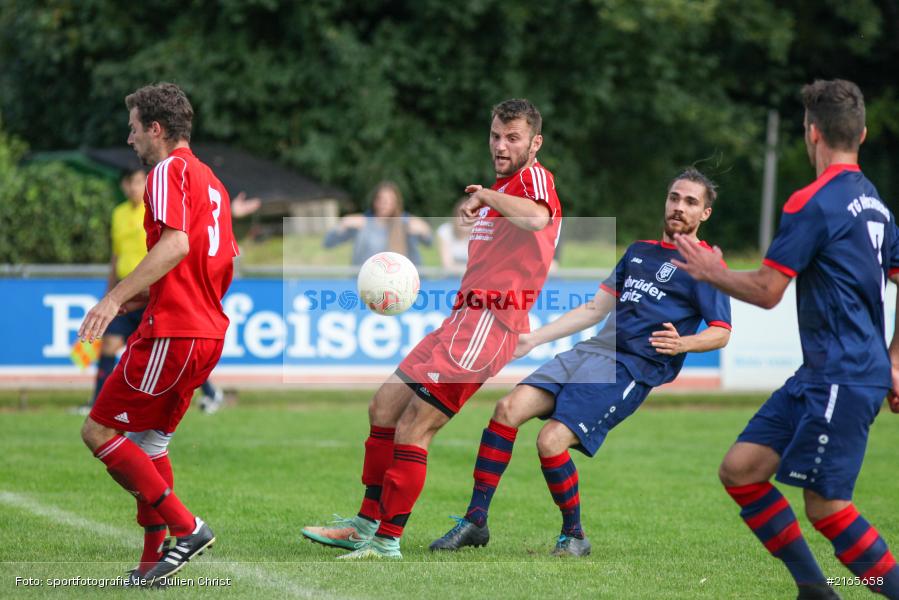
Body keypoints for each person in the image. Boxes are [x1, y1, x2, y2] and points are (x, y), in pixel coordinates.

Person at [302, 98, 562, 559]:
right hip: (460, 320)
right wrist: (484, 201)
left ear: (534, 143)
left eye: (513, 138)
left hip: (488, 324)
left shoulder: (533, 179)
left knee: (414, 425)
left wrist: (485, 196)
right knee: (384, 407)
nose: (501, 145)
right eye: (496, 136)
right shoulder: (504, 187)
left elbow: (538, 217)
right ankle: (365, 524)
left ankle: (387, 540)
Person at [673, 79, 899, 600]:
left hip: (841, 376)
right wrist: (894, 359)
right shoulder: (874, 202)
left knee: (827, 508)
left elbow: (768, 290)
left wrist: (710, 271)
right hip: (822, 374)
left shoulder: (812, 201)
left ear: (811, 133)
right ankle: (815, 590)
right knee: (742, 471)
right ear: (861, 134)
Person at [429, 168, 732, 556]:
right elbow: (594, 309)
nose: (679, 207)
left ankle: (574, 535)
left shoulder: (706, 265)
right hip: (591, 352)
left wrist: (682, 343)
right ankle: (475, 522)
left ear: (705, 213)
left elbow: (721, 331)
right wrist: (533, 338)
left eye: (691, 202)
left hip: (631, 368)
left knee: (550, 440)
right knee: (506, 409)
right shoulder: (639, 251)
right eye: (675, 197)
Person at [78, 82, 237, 586]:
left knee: (99, 431)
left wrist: (115, 297)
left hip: (175, 330)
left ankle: (187, 529)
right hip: (207, 331)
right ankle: (154, 565)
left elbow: (175, 246)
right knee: (149, 446)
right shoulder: (211, 181)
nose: (130, 141)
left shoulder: (167, 170)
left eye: (133, 129)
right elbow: (225, 259)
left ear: (155, 129)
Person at [78, 169, 226, 416]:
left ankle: (210, 392)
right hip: (125, 291)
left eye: (139, 181)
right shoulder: (118, 214)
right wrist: (110, 294)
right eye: (130, 182)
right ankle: (97, 403)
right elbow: (115, 256)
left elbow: (174, 246)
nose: (135, 187)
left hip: (152, 288)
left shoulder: (157, 207)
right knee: (109, 346)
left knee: (169, 353)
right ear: (124, 186)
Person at [323, 180, 432, 265]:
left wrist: (424, 230)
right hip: (365, 281)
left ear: (396, 202)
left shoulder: (406, 224)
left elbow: (429, 242)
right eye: (381, 199)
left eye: (389, 200)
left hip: (399, 283)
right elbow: (328, 243)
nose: (385, 203)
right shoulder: (362, 223)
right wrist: (342, 225)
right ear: (374, 201)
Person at [436, 198, 472, 272]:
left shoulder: (479, 234)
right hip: (450, 279)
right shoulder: (445, 231)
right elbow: (447, 265)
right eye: (461, 215)